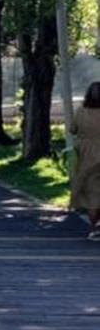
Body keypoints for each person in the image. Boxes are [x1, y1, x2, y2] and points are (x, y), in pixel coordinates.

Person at [71, 80, 100, 237]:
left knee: (92, 191)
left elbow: (72, 129)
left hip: (87, 154)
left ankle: (94, 227)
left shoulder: (81, 112)